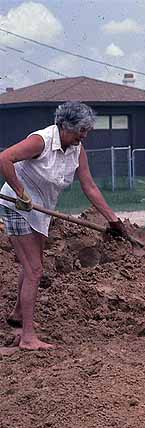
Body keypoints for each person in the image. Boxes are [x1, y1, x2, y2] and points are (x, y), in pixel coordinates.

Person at [0, 101, 128, 351]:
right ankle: (27, 337)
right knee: (35, 270)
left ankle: (18, 313)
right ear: (65, 126)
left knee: (31, 266)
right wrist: (20, 192)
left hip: (39, 212)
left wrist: (113, 220)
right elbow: (5, 158)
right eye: (81, 130)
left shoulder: (77, 149)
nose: (85, 135)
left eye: (87, 130)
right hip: (18, 206)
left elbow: (89, 186)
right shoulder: (41, 141)